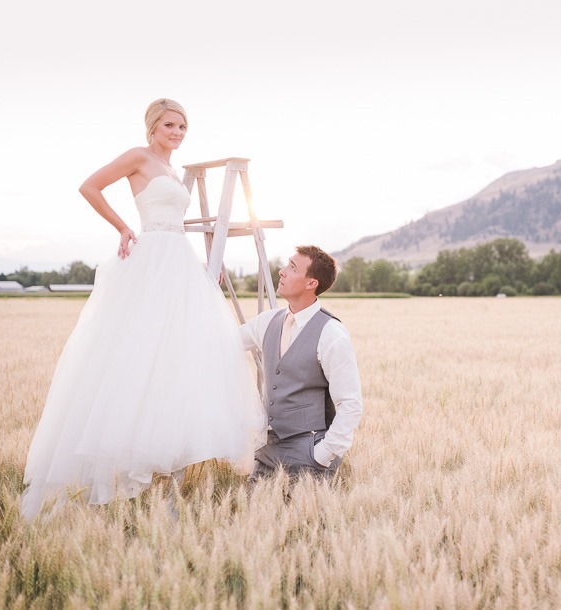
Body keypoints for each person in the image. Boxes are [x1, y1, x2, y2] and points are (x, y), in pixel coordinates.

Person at [20, 99, 266, 519]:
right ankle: (124, 466)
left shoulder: (172, 170)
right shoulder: (139, 157)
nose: (177, 131)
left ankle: (166, 471)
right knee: (137, 353)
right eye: (170, 124)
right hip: (150, 258)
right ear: (153, 127)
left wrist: (210, 263)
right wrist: (122, 227)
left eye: (183, 125)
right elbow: (89, 186)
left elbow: (179, 222)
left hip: (180, 263)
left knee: (179, 358)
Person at [240, 246, 363, 480]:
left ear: (311, 283)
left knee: (306, 517)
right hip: (265, 451)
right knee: (250, 512)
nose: (282, 272)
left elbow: (350, 403)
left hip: (308, 451)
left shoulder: (331, 333)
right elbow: (223, 343)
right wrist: (204, 287)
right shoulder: (268, 321)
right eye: (287, 264)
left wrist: (322, 454)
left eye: (292, 268)